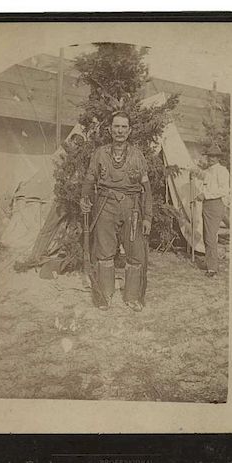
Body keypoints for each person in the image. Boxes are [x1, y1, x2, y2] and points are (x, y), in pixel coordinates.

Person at [80, 111, 152, 312]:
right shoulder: (100, 153)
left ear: (129, 131)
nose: (120, 131)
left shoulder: (137, 155)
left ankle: (132, 297)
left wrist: (148, 216)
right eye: (116, 127)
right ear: (110, 130)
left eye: (124, 127)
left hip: (132, 208)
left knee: (135, 252)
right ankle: (105, 295)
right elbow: (89, 179)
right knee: (104, 251)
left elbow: (146, 188)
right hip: (105, 206)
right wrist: (84, 199)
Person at [195, 144, 230, 277]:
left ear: (218, 158)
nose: (211, 158)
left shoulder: (222, 171)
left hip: (215, 205)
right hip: (207, 205)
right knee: (206, 236)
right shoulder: (208, 171)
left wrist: (206, 195)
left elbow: (224, 190)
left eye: (213, 156)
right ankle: (210, 263)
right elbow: (205, 186)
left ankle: (212, 269)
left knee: (210, 237)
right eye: (209, 156)